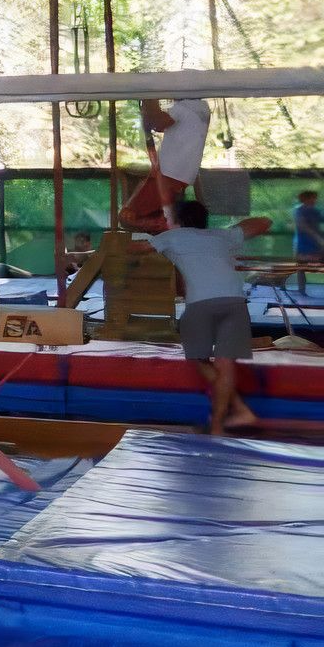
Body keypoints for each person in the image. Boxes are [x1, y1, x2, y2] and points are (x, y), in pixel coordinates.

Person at [140, 200, 268, 434]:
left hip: (202, 303)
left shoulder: (171, 236)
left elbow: (134, 250)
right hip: (235, 301)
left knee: (199, 360)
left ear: (176, 221)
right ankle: (225, 422)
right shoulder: (222, 236)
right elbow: (264, 222)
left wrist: (148, 226)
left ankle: (235, 411)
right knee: (225, 364)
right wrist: (235, 230)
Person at [119, 98, 210, 233]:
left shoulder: (186, 107)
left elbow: (155, 122)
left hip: (169, 175)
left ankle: (167, 228)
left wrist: (151, 96)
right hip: (178, 175)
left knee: (127, 217)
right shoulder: (201, 107)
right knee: (132, 217)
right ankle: (167, 228)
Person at [292, 189, 322, 263]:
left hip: (317, 243)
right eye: (313, 198)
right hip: (304, 242)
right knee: (301, 264)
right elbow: (303, 226)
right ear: (306, 199)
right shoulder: (298, 210)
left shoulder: (315, 211)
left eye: (315, 198)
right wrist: (317, 237)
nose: (315, 200)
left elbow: (321, 218)